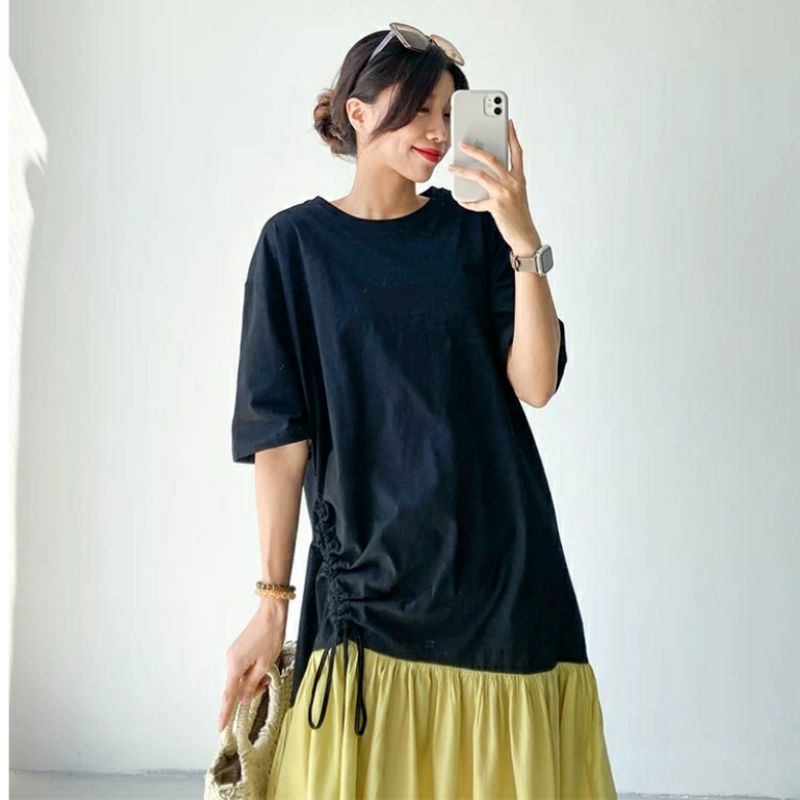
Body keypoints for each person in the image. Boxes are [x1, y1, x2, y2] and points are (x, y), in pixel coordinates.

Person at [219, 22, 618, 799]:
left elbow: (537, 383)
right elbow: (280, 441)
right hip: (365, 585)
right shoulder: (293, 247)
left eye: (448, 112)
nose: (438, 132)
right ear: (357, 110)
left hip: (500, 574)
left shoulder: (476, 234)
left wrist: (522, 237)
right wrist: (271, 606)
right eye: (419, 110)